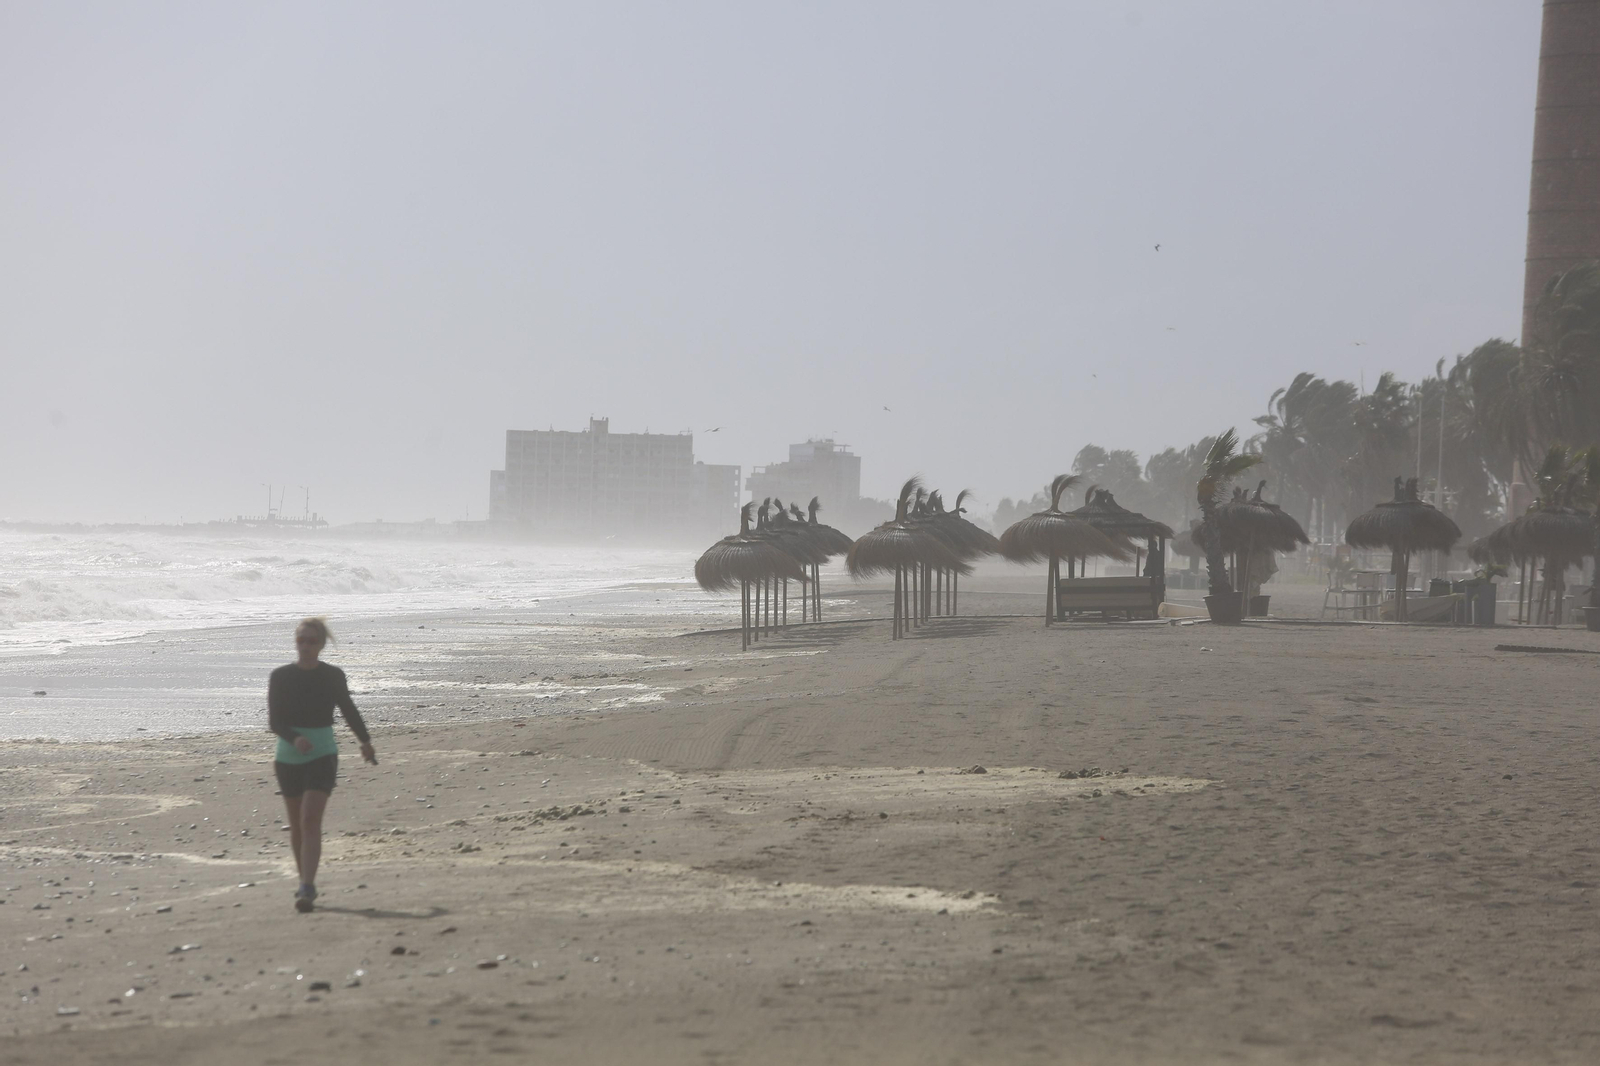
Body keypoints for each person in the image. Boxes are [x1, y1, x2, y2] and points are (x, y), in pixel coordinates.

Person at [268, 617, 377, 913]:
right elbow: (275, 721)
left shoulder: (332, 676)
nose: (305, 646)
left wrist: (365, 742)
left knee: (309, 820)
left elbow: (348, 709)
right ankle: (304, 878)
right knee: (296, 825)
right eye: (300, 640)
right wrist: (295, 738)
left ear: (321, 645)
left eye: (311, 641)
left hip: (323, 754)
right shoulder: (281, 676)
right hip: (287, 756)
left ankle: (307, 886)